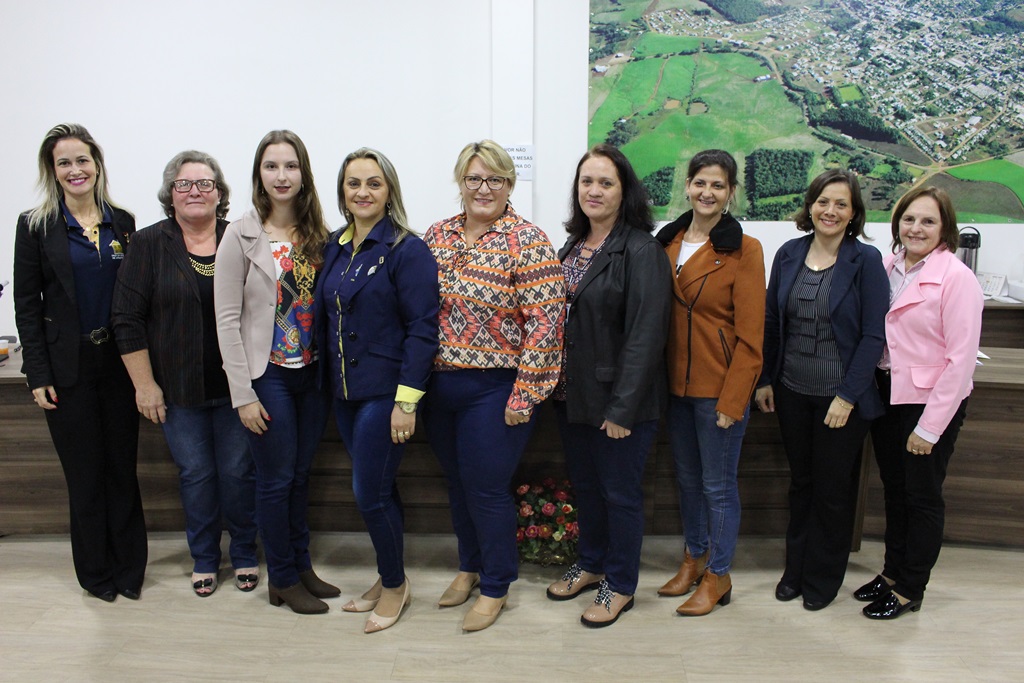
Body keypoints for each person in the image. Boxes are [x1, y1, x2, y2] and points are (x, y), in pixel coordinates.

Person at [423, 140, 565, 632]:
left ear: (510, 185)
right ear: (460, 182)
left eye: (495, 180)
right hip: (440, 387)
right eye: (474, 179)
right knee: (458, 486)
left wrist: (524, 395)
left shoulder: (528, 240)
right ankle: (468, 567)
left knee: (485, 489)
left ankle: (496, 585)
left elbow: (546, 323)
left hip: (495, 389)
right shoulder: (436, 235)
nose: (484, 189)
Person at [112, 151, 258, 598]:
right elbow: (126, 318)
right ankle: (205, 558)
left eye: (205, 184)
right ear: (170, 195)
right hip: (178, 390)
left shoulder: (243, 238)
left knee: (238, 474)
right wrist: (144, 384)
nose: (195, 191)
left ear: (220, 194)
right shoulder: (149, 244)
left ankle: (247, 553)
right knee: (196, 476)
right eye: (184, 184)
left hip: (239, 387)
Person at [13, 123, 147, 602]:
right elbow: (27, 305)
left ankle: (130, 569)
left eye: (82, 160)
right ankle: (95, 573)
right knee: (85, 474)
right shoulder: (35, 226)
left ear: (97, 164)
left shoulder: (124, 223)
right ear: (53, 171)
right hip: (67, 370)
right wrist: (37, 374)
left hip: (118, 365)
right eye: (64, 162)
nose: (75, 170)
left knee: (120, 470)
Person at [544, 144, 671, 627]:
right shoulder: (571, 247)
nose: (593, 190)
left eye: (605, 182)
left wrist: (622, 410)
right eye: (586, 182)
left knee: (620, 494)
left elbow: (646, 337)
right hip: (572, 396)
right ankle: (593, 563)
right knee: (588, 489)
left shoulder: (641, 250)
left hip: (620, 406)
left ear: (625, 191)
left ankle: (620, 583)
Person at [316, 148, 439, 632]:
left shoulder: (408, 249)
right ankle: (391, 575)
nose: (362, 192)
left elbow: (424, 329)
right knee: (380, 488)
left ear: (389, 191)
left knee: (368, 493)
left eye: (373, 183)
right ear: (342, 192)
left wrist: (407, 402)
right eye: (353, 184)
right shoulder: (334, 245)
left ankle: (394, 587)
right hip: (344, 394)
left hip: (386, 396)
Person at [754, 170, 888, 610]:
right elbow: (774, 322)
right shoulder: (789, 253)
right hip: (792, 390)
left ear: (854, 214)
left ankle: (823, 578)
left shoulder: (865, 260)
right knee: (802, 484)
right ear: (810, 206)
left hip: (840, 400)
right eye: (823, 202)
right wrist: (766, 379)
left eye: (841, 205)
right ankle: (795, 570)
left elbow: (873, 336)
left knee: (832, 491)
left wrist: (847, 396)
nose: (831, 211)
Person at [215, 130, 334, 615]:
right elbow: (225, 318)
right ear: (258, 175)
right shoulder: (240, 233)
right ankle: (281, 578)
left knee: (300, 475)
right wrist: (242, 394)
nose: (281, 176)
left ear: (304, 174)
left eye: (290, 166)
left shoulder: (321, 236)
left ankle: (301, 567)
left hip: (312, 374)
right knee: (275, 478)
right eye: (271, 166)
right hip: (268, 375)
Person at [855, 186, 982, 619]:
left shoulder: (957, 278)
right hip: (889, 393)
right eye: (909, 219)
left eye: (928, 221)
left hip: (930, 403)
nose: (916, 228)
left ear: (944, 226)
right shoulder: (888, 266)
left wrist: (930, 428)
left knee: (922, 495)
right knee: (895, 489)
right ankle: (892, 572)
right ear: (897, 224)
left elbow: (960, 362)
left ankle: (911, 588)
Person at [654, 149, 765, 616]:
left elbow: (752, 337)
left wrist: (733, 399)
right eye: (700, 182)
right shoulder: (668, 241)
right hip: (672, 387)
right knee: (687, 480)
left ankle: (719, 575)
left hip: (717, 388)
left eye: (718, 185)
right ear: (688, 187)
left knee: (718, 487)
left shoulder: (745, 249)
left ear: (731, 193)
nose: (707, 192)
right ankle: (694, 557)